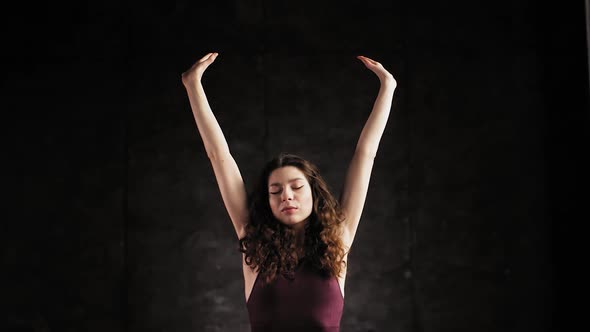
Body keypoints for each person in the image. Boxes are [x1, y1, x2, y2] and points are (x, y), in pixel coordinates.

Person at [181, 52, 396, 332]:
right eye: (275, 190)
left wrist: (387, 87)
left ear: (314, 194)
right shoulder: (254, 244)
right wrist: (193, 85)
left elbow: (366, 154)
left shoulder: (339, 241)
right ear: (267, 201)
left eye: (296, 187)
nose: (287, 196)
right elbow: (218, 156)